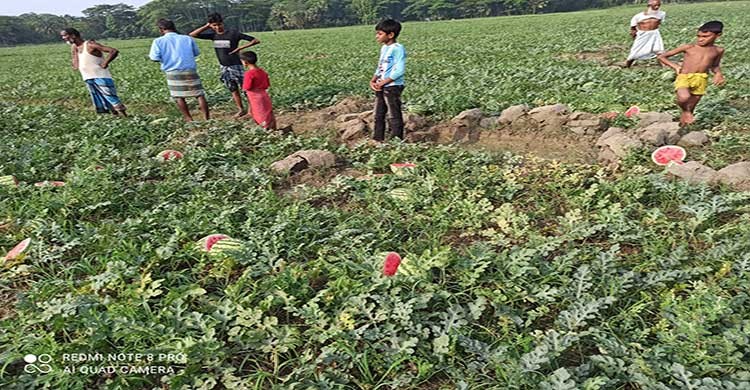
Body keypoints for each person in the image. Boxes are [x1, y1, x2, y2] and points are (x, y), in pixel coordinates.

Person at [189, 13, 260, 117]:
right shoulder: (213, 35)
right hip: (224, 67)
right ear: (211, 26)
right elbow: (192, 34)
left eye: (219, 24)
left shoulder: (233, 34)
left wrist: (240, 48)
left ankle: (251, 110)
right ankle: (241, 109)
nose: (217, 27)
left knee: (245, 89)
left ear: (222, 23)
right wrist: (206, 26)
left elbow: (255, 40)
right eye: (214, 25)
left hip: (236, 65)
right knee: (233, 89)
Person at [658, 21, 725, 126]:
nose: (700, 39)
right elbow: (662, 57)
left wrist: (718, 74)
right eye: (698, 36)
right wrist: (675, 66)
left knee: (691, 106)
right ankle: (685, 111)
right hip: (685, 77)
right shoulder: (689, 48)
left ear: (718, 35)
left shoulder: (718, 50)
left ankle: (683, 127)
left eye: (705, 36)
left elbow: (715, 65)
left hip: (701, 79)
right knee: (683, 98)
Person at [149, 19, 209, 122]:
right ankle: (206, 118)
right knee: (199, 94)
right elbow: (196, 52)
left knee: (179, 96)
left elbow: (154, 58)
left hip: (172, 71)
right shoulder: (187, 38)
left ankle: (188, 118)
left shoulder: (158, 41)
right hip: (190, 69)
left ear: (161, 29)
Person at [60, 28, 127, 116]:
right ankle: (114, 116)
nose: (64, 38)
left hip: (101, 76)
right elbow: (75, 59)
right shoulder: (74, 47)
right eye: (62, 36)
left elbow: (113, 51)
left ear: (73, 35)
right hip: (87, 77)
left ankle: (125, 116)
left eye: (65, 35)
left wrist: (105, 63)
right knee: (99, 98)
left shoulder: (90, 45)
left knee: (110, 97)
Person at [370, 19, 407, 142]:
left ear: (390, 35)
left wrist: (384, 82)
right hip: (382, 85)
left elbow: (399, 71)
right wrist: (374, 80)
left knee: (394, 115)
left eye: (380, 34)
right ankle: (377, 139)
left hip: (392, 86)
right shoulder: (384, 48)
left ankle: (396, 140)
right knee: (378, 114)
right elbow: (380, 66)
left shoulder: (398, 48)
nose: (377, 36)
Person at [239, 51, 276, 130]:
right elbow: (267, 85)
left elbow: (246, 87)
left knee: (260, 114)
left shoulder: (249, 74)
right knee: (268, 113)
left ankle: (265, 130)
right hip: (264, 95)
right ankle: (273, 128)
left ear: (245, 62)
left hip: (255, 97)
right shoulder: (262, 71)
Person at [625, 0, 666, 68]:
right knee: (635, 52)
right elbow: (633, 28)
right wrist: (634, 36)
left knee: (659, 50)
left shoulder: (661, 14)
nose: (657, 7)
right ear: (649, 5)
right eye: (655, 5)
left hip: (655, 34)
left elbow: (659, 23)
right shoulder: (638, 16)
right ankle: (627, 65)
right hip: (643, 35)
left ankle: (663, 65)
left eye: (658, 5)